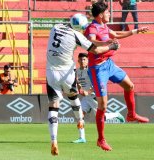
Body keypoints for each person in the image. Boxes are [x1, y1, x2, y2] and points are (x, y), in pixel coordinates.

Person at [46, 13, 119, 156]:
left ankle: (54, 139)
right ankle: (80, 121)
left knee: (53, 105)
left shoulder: (54, 27)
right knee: (73, 98)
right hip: (67, 72)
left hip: (51, 72)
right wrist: (111, 46)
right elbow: (96, 50)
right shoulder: (77, 35)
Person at [84, 1, 149, 151]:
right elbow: (91, 41)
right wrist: (109, 43)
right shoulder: (92, 28)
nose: (109, 14)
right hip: (97, 69)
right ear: (100, 15)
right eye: (107, 12)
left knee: (129, 85)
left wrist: (136, 31)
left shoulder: (104, 26)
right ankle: (101, 139)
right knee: (103, 105)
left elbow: (117, 34)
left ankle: (131, 115)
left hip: (109, 64)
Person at [72, 53, 125, 144]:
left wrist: (88, 91)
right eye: (80, 60)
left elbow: (98, 85)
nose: (82, 61)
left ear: (87, 60)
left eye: (84, 59)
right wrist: (79, 88)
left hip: (94, 96)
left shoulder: (91, 71)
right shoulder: (77, 71)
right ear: (78, 61)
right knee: (80, 116)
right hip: (86, 98)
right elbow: (78, 82)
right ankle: (82, 138)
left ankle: (116, 114)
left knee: (102, 117)